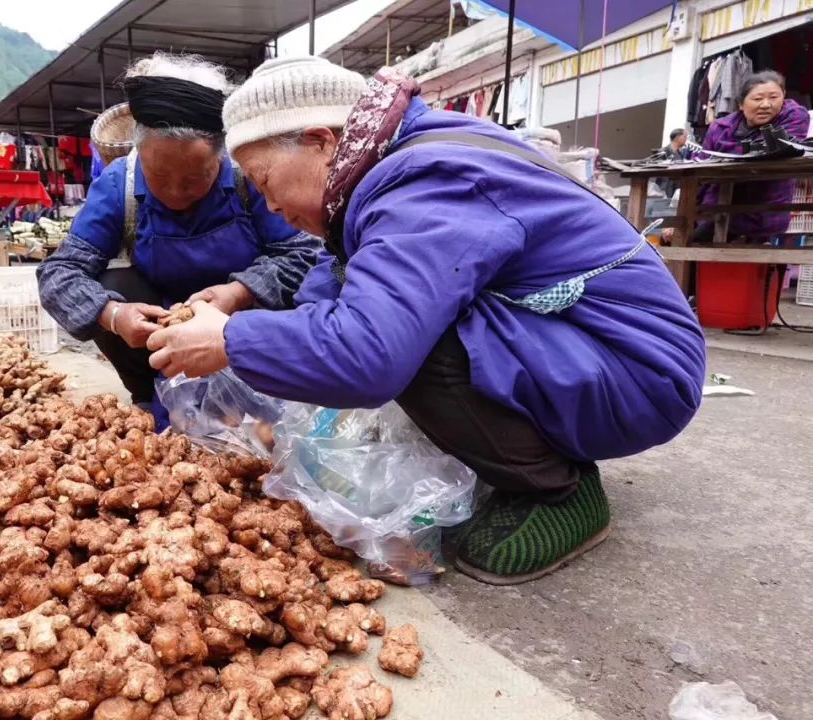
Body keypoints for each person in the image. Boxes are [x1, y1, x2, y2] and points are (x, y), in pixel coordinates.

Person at [147, 57, 707, 585]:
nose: (268, 206)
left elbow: (369, 353)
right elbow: (333, 286)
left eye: (265, 181)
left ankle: (557, 491)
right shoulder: (383, 171)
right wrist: (251, 327)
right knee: (387, 321)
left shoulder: (427, 179)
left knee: (412, 341)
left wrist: (231, 339)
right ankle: (525, 448)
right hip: (583, 348)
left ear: (322, 143)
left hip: (638, 371)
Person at [38, 54, 321, 428]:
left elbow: (305, 254)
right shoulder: (118, 184)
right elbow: (59, 273)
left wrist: (238, 293)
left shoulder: (248, 178)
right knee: (112, 284)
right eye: (158, 175)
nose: (175, 191)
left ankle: (260, 402)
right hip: (157, 334)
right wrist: (116, 316)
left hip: (243, 329)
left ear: (220, 154)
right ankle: (148, 398)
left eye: (194, 178)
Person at [699, 71, 810, 241]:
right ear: (741, 104)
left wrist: (732, 154)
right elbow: (701, 171)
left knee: (757, 264)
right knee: (692, 254)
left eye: (774, 97)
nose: (766, 105)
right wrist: (688, 213)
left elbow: (770, 149)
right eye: (757, 99)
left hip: (765, 215)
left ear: (784, 97)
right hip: (717, 211)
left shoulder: (794, 116)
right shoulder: (720, 128)